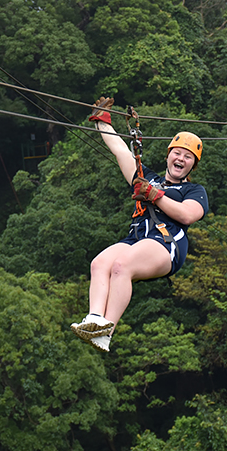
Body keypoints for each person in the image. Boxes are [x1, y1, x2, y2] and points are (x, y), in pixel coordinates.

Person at [70, 97, 209, 353]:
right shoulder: (148, 178)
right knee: (99, 263)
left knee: (122, 266)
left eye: (187, 157)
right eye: (177, 153)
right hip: (137, 239)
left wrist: (155, 196)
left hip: (167, 243)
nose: (181, 159)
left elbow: (188, 215)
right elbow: (121, 151)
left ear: (193, 165)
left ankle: (107, 331)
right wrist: (102, 121)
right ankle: (95, 320)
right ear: (168, 156)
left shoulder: (193, 190)